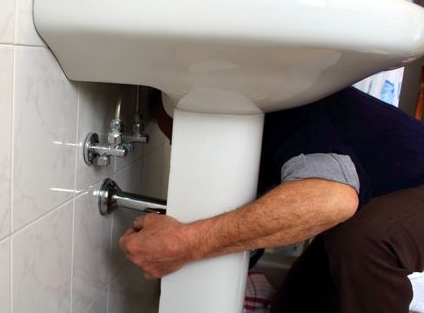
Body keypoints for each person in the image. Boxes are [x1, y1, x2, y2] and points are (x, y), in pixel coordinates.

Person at [119, 86, 424, 312]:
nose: (177, 144)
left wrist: (184, 244)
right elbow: (251, 228)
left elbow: (334, 199)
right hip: (376, 202)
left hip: (402, 201)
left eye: (178, 135)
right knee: (296, 304)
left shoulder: (287, 108)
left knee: (368, 239)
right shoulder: (252, 113)